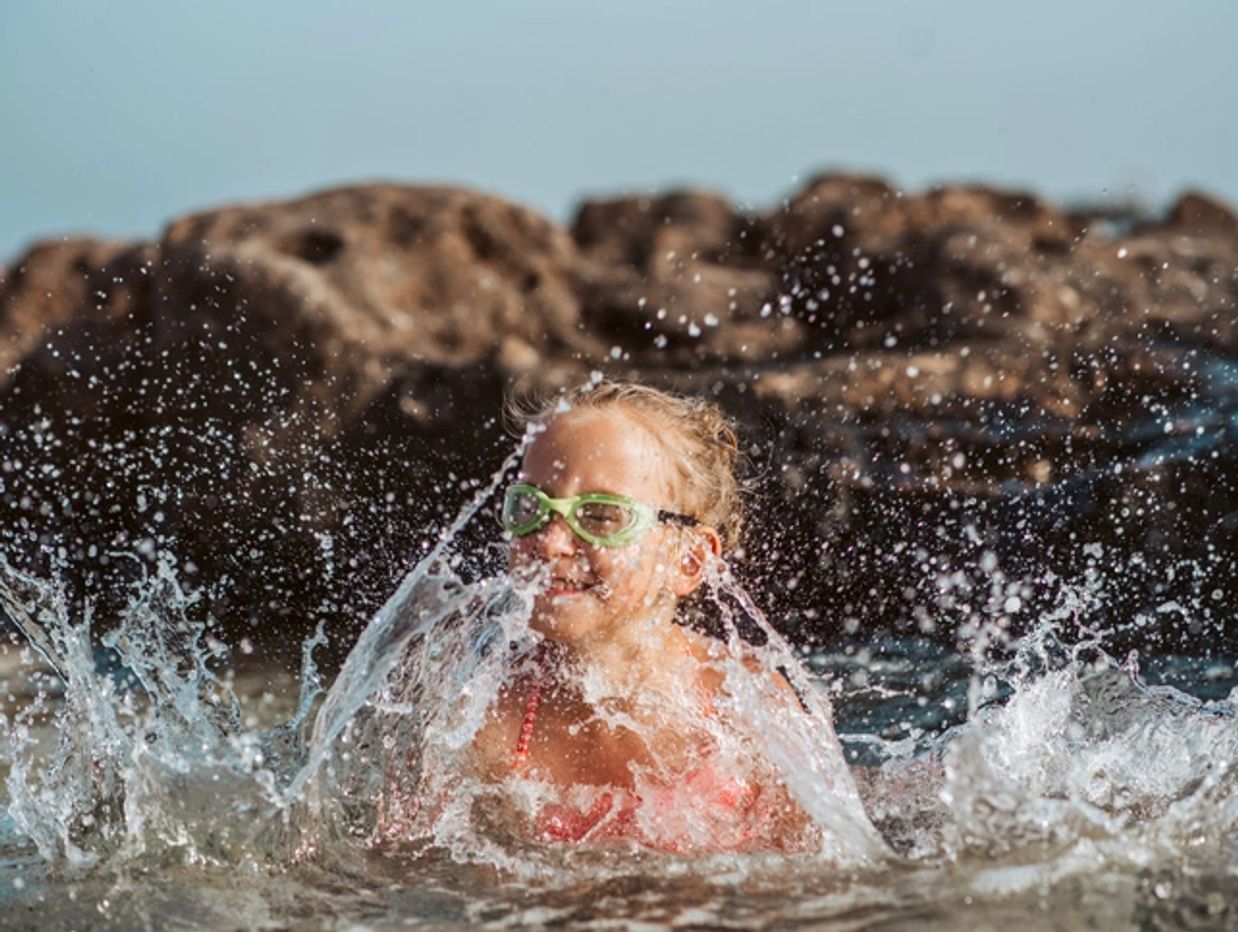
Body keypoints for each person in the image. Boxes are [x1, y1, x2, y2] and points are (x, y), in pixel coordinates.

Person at [469, 381, 819, 853]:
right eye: (531, 507)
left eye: (600, 516)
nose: (550, 543)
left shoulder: (744, 702)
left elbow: (818, 876)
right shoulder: (494, 722)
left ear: (689, 560)